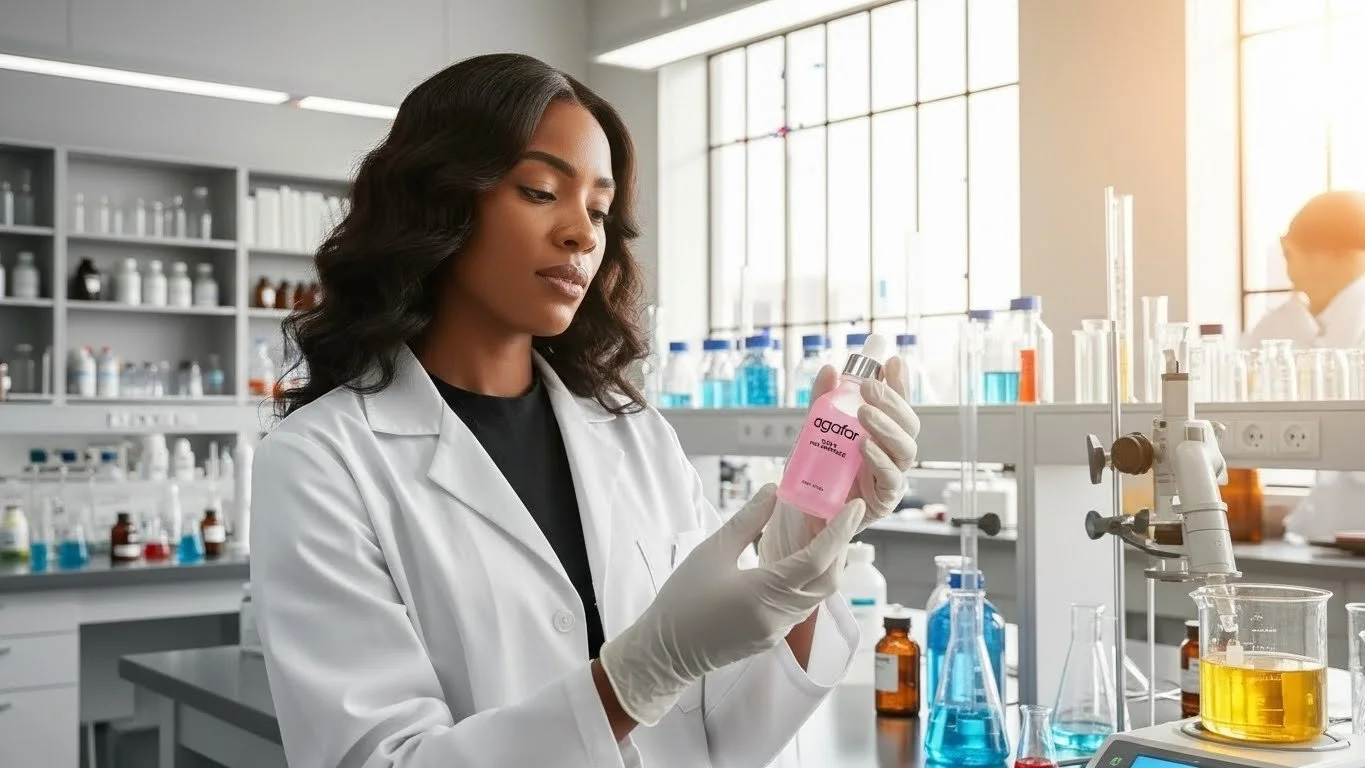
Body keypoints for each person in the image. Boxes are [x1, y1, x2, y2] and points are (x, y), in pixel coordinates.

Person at [250, 53, 921, 768]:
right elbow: (379, 761)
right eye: (541, 191)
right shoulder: (321, 462)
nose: (582, 233)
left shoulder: (634, 436)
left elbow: (718, 735)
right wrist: (634, 678)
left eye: (598, 209)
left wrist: (794, 565)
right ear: (439, 199)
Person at [1243, 190, 1365, 540]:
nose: (1289, 273)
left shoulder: (1340, 333)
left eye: (1289, 254)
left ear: (1329, 253)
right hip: (1329, 542)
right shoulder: (1302, 324)